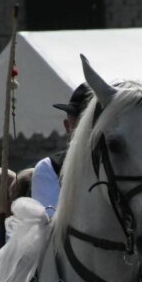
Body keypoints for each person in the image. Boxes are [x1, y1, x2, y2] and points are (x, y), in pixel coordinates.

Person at [32, 83, 91, 217]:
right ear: (67, 126)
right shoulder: (50, 169)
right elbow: (50, 224)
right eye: (81, 123)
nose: (87, 130)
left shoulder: (120, 167)